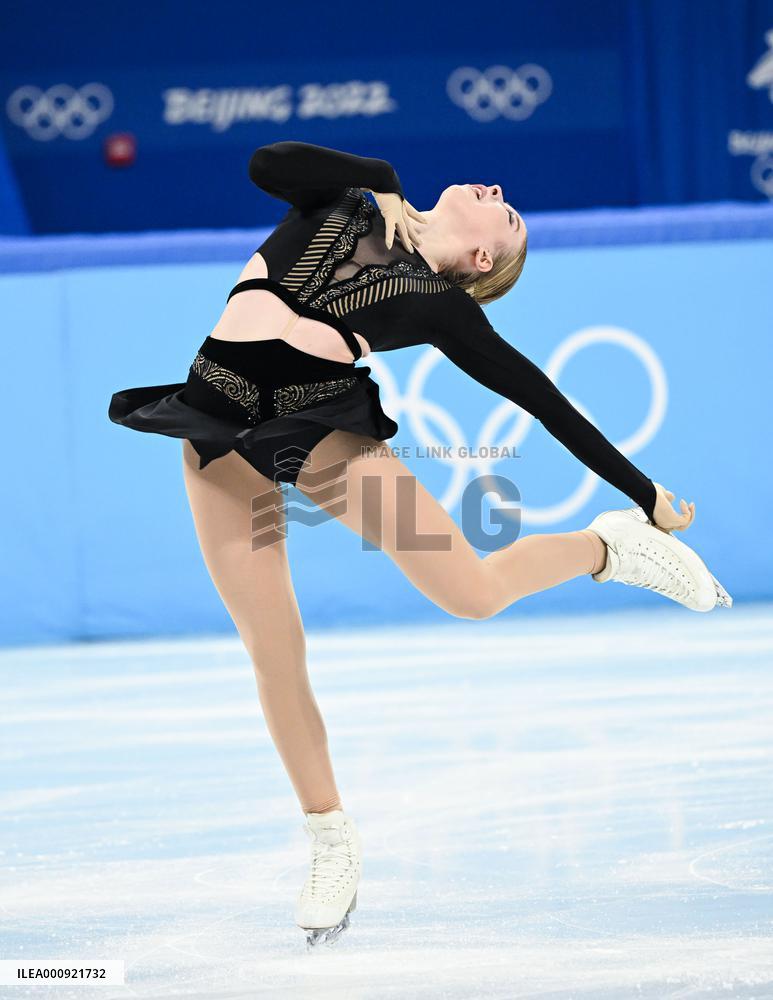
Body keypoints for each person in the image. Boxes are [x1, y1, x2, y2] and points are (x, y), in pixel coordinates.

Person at [108, 140, 731, 946]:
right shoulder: (341, 203)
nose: (497, 187)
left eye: (505, 217)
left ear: (479, 256)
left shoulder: (440, 305)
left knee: (468, 593)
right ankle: (330, 837)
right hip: (217, 437)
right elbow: (267, 161)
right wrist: (383, 181)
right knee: (273, 646)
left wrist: (643, 496)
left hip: (320, 439)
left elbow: (544, 401)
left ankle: (606, 550)